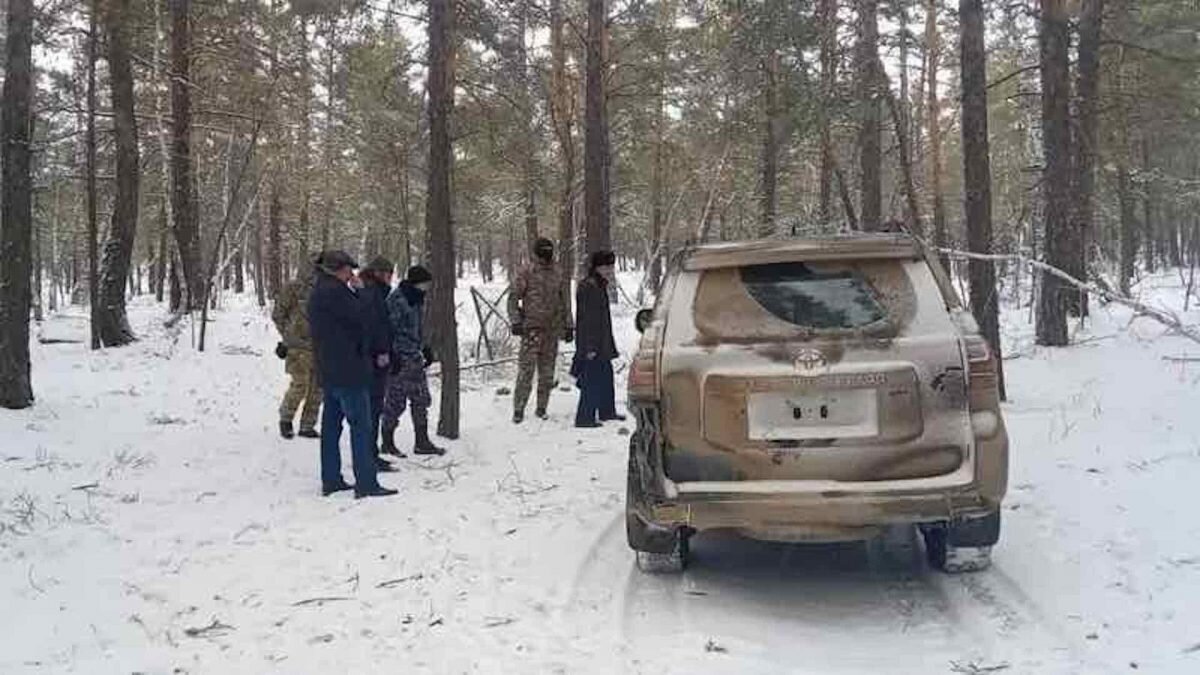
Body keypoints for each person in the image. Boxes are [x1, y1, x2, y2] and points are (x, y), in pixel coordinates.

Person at [307, 250, 397, 498]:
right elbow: (363, 316)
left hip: (329, 369)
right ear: (337, 269)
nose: (352, 274)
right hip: (349, 370)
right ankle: (366, 482)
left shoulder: (318, 292)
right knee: (361, 426)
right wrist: (362, 291)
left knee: (331, 428)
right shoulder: (336, 292)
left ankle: (332, 478)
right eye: (348, 270)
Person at [380, 265, 447, 457]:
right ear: (416, 283)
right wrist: (392, 356)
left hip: (415, 357)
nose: (427, 287)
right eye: (425, 284)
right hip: (399, 359)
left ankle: (422, 442)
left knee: (421, 399)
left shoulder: (417, 299)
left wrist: (425, 347)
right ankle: (387, 441)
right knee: (395, 402)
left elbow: (417, 328)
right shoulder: (397, 299)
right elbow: (388, 330)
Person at [508, 237, 572, 423]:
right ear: (536, 253)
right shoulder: (527, 271)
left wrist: (569, 326)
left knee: (547, 373)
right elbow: (513, 298)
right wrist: (516, 322)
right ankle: (519, 409)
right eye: (543, 252)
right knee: (526, 371)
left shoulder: (557, 272)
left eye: (549, 252)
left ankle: (541, 408)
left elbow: (564, 301)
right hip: (531, 330)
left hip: (552, 330)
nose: (546, 257)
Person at [571, 250, 625, 428]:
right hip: (592, 343)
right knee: (591, 379)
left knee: (605, 375)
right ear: (597, 267)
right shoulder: (589, 286)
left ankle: (606, 411)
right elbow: (587, 319)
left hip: (601, 342)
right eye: (606, 266)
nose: (609, 270)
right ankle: (584, 418)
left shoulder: (599, 285)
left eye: (611, 266)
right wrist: (590, 347)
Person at [272, 260, 320, 440]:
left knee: (317, 388)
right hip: (298, 347)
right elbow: (278, 314)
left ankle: (308, 425)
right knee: (300, 384)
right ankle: (286, 419)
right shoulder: (293, 288)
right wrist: (288, 335)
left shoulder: (327, 290)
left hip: (320, 346)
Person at [359, 257, 399, 471]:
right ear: (377, 273)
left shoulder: (376, 292)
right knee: (372, 409)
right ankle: (368, 456)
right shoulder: (370, 293)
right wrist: (382, 352)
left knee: (375, 408)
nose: (390, 278)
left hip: (377, 358)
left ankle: (371, 453)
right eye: (387, 273)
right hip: (372, 361)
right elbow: (373, 328)